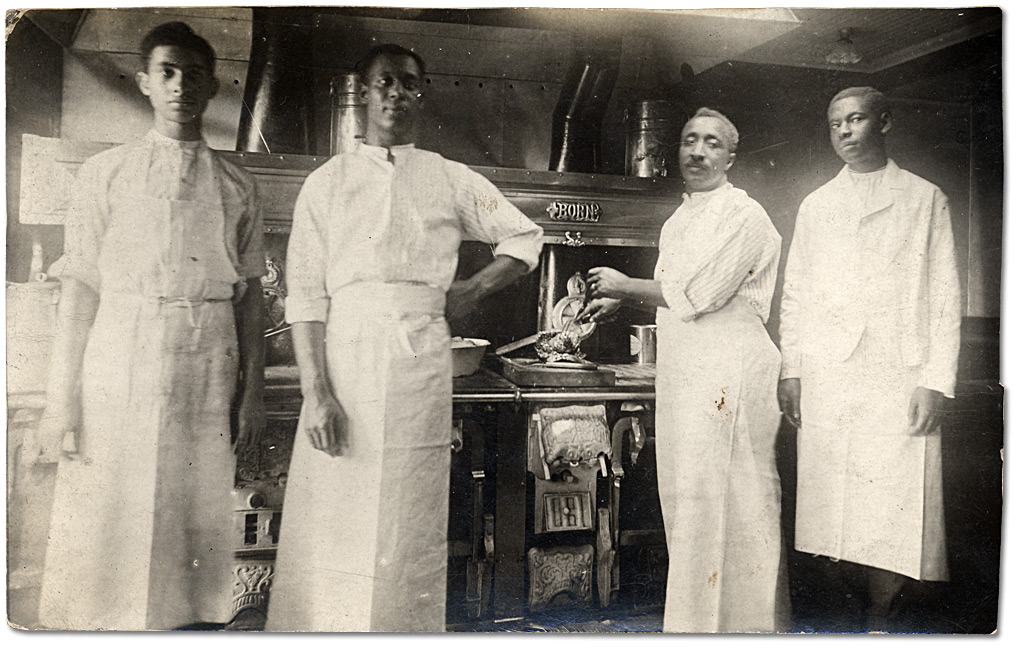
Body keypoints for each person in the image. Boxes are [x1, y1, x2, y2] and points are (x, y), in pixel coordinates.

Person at [265, 43, 543, 632]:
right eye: (384, 83)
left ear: (422, 94)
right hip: (346, 361)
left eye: (409, 84)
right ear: (363, 94)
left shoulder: (447, 177)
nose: (396, 94)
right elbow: (308, 297)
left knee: (405, 516)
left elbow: (524, 239)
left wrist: (470, 291)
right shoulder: (328, 182)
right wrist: (317, 394)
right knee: (337, 512)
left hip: (419, 362)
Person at [30, 22, 266, 630]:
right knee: (110, 513)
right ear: (143, 83)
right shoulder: (105, 174)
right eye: (167, 72)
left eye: (193, 73)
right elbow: (81, 289)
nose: (180, 85)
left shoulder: (238, 184)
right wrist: (63, 400)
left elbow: (249, 297)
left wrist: (253, 393)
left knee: (187, 521)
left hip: (206, 355)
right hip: (120, 351)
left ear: (213, 84)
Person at [581, 107, 787, 632]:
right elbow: (674, 298)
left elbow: (698, 294)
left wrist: (625, 286)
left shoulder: (746, 216)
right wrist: (621, 303)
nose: (698, 151)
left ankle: (748, 632)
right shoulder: (680, 219)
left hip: (731, 372)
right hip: (689, 372)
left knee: (736, 504)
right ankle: (696, 631)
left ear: (731, 156)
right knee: (690, 503)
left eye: (713, 143)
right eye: (690, 140)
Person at [777, 86, 961, 631]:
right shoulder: (816, 204)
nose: (845, 133)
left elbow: (947, 292)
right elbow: (796, 292)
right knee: (836, 503)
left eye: (855, 120)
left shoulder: (925, 198)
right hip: (831, 372)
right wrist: (793, 368)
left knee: (894, 503)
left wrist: (936, 380)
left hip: (898, 372)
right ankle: (851, 617)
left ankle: (886, 615)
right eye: (836, 124)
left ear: (883, 123)